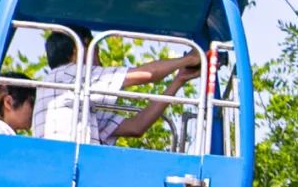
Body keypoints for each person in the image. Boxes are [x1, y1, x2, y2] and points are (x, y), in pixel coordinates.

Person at [32, 27, 201, 145]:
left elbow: (136, 126)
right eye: (96, 51)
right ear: (80, 48)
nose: (100, 62)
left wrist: (178, 80)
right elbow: (147, 74)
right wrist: (190, 59)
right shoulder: (72, 74)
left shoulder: (70, 96)